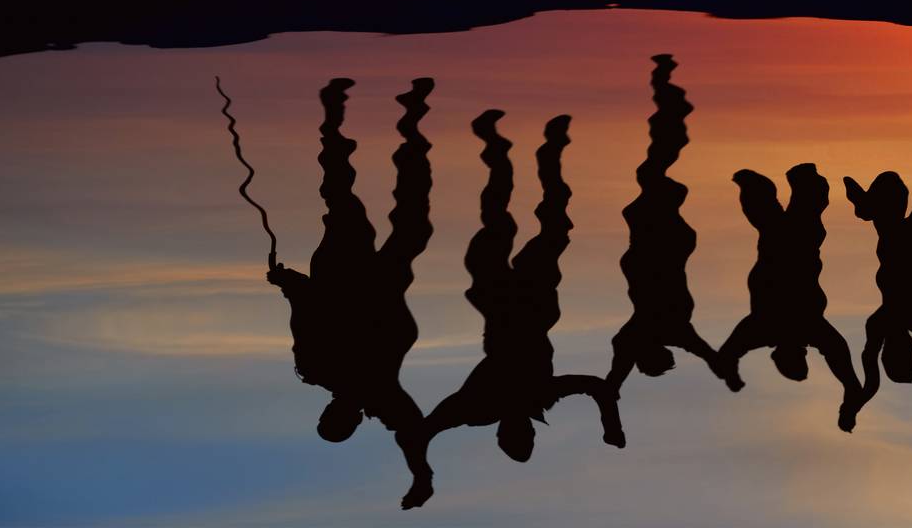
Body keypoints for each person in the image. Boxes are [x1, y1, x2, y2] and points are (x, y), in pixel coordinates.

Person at [413, 111, 623, 502]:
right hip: (533, 303)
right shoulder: (540, 394)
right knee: (554, 228)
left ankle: (496, 147)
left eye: (512, 436)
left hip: (496, 301)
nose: (518, 429)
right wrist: (610, 424)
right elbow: (596, 386)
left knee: (497, 222)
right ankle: (551, 151)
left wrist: (422, 479)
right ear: (529, 431)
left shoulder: (474, 409)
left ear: (499, 433)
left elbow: (422, 434)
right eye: (524, 435)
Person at [266, 78, 435, 509]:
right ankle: (409, 118)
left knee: (347, 204)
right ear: (354, 421)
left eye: (333, 416)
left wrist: (289, 284)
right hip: (381, 281)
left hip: (345, 276)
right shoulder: (378, 395)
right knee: (406, 215)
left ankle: (334, 126)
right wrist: (421, 478)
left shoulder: (318, 368)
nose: (342, 413)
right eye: (342, 420)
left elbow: (305, 313)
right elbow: (412, 432)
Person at [608, 55, 736, 390]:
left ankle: (669, 102)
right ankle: (667, 99)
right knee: (651, 172)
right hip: (658, 244)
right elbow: (712, 358)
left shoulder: (663, 332)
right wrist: (728, 374)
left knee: (652, 172)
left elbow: (710, 357)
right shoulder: (664, 330)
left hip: (660, 244)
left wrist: (612, 393)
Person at [717, 163, 863, 430]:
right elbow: (844, 366)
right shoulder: (808, 330)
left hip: (783, 254)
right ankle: (790, 180)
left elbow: (726, 355)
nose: (801, 352)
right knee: (801, 205)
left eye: (796, 358)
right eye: (802, 357)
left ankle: (765, 183)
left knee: (776, 215)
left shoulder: (763, 329)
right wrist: (850, 401)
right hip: (799, 251)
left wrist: (732, 376)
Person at [842, 168, 912, 419]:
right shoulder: (908, 319)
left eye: (905, 356)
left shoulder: (880, 324)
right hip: (907, 247)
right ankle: (867, 206)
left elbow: (871, 382)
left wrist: (854, 407)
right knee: (906, 205)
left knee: (893, 191)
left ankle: (867, 206)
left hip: (901, 242)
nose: (910, 349)